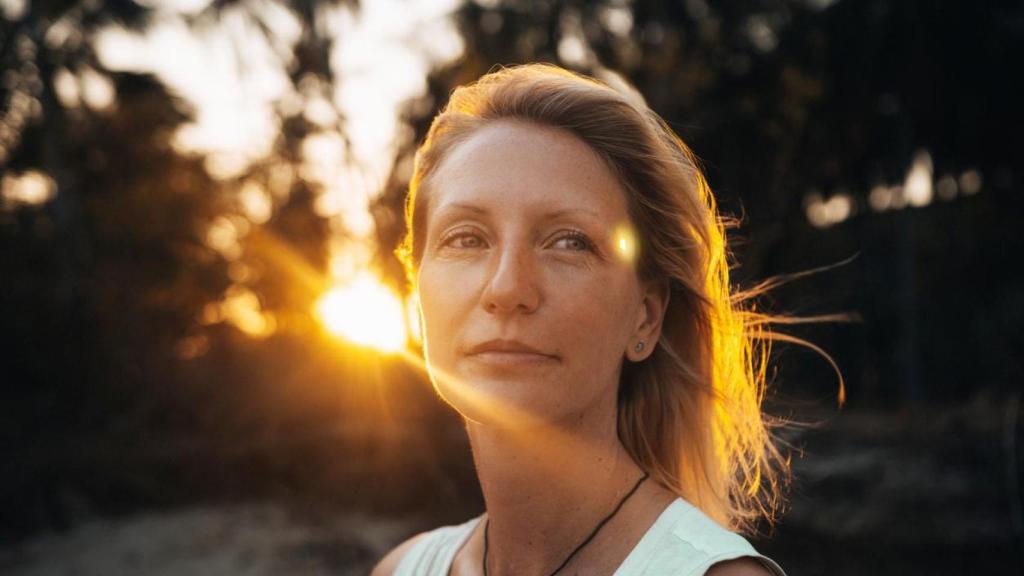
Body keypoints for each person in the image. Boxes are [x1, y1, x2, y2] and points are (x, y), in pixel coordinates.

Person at [373, 62, 820, 575]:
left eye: (570, 241)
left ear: (646, 318)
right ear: (416, 292)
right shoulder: (402, 569)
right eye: (466, 238)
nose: (506, 288)